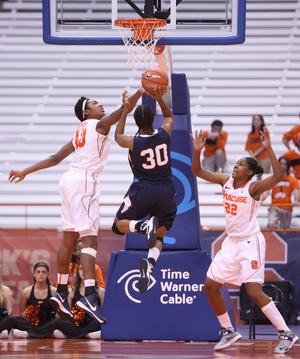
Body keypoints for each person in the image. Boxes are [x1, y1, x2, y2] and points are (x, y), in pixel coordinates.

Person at [8, 89, 143, 324]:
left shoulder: (79, 131)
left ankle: (61, 292)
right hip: (84, 182)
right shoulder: (98, 124)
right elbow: (122, 112)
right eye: (95, 103)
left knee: (69, 238)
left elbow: (55, 158)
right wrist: (139, 93)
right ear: (86, 112)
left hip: (68, 180)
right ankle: (90, 295)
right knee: (89, 240)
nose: (100, 105)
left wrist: (25, 171)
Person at [190, 127, 298, 354]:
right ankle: (228, 331)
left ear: (249, 173)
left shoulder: (254, 188)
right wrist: (197, 150)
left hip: (250, 243)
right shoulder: (225, 181)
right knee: (209, 287)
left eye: (241, 164)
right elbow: (197, 170)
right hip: (231, 243)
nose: (236, 166)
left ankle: (285, 332)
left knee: (254, 292)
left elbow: (278, 177)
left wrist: (269, 150)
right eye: (236, 163)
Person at [112, 88, 177, 294]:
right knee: (159, 237)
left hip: (143, 188)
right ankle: (149, 265)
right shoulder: (165, 132)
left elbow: (118, 135)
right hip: (166, 188)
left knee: (117, 226)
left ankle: (141, 227)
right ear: (153, 119)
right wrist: (159, 99)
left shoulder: (132, 142)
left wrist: (124, 110)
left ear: (136, 122)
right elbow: (169, 116)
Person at [53, 264, 104, 339]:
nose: (83, 272)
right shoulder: (72, 290)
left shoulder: (100, 290)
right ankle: (86, 335)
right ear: (77, 272)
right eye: (81, 269)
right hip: (76, 323)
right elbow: (67, 312)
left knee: (102, 322)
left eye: (86, 269)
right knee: (58, 321)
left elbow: (104, 314)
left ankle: (71, 334)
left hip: (92, 323)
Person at [12, 262, 57, 339]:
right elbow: (21, 313)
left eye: (44, 272)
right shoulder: (26, 292)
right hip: (32, 324)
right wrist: (31, 315)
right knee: (15, 319)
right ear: (34, 274)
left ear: (48, 275)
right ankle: (47, 334)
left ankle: (29, 334)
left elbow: (58, 313)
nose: (41, 274)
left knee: (59, 321)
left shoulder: (54, 291)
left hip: (48, 323)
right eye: (38, 272)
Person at [262, 157, 299, 229]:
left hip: (287, 207)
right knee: (271, 225)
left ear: (288, 165)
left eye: (285, 164)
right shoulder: (273, 178)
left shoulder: (292, 179)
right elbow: (266, 192)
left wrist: (296, 200)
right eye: (281, 164)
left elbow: (296, 192)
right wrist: (261, 200)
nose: (283, 166)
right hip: (275, 206)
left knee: (285, 230)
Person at [245, 114, 271, 179]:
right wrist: (253, 156)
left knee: (264, 177)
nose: (256, 121)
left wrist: (253, 155)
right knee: (257, 177)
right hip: (255, 158)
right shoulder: (250, 134)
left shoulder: (265, 132)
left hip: (264, 157)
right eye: (254, 120)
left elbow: (264, 145)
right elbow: (248, 147)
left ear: (262, 121)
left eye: (258, 119)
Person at [0, 264, 14, 339]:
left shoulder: (6, 290)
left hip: (1, 320)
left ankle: (2, 332)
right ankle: (1, 333)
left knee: (11, 319)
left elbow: (10, 311)